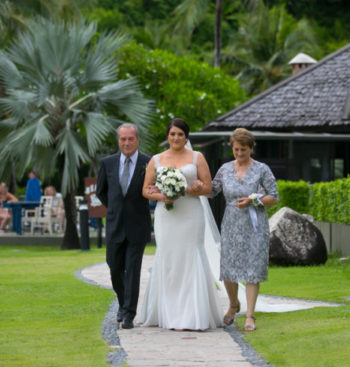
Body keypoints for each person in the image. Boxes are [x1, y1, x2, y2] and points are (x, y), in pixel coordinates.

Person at [139, 118, 223, 331]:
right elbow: (146, 189)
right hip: (167, 216)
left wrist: (194, 188)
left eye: (180, 134)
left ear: (186, 137)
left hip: (190, 213)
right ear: (167, 135)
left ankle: (192, 314)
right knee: (168, 256)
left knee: (190, 255)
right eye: (172, 134)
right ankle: (166, 312)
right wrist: (162, 197)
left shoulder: (197, 157)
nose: (176, 138)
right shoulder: (156, 160)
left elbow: (208, 187)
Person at [211, 128, 278, 331]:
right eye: (236, 149)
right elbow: (212, 190)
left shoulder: (262, 169)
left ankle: (250, 315)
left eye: (244, 150)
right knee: (229, 269)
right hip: (231, 224)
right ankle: (233, 304)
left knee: (252, 270)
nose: (239, 154)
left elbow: (274, 197)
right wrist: (191, 185)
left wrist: (252, 199)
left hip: (254, 225)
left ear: (251, 148)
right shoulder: (224, 169)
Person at [96, 123, 151, 329]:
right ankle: (122, 303)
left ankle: (128, 314)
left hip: (138, 226)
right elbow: (101, 191)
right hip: (115, 225)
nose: (126, 143)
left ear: (137, 140)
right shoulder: (107, 163)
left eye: (130, 139)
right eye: (123, 139)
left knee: (133, 270)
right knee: (114, 267)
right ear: (118, 141)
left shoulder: (149, 162)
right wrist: (115, 209)